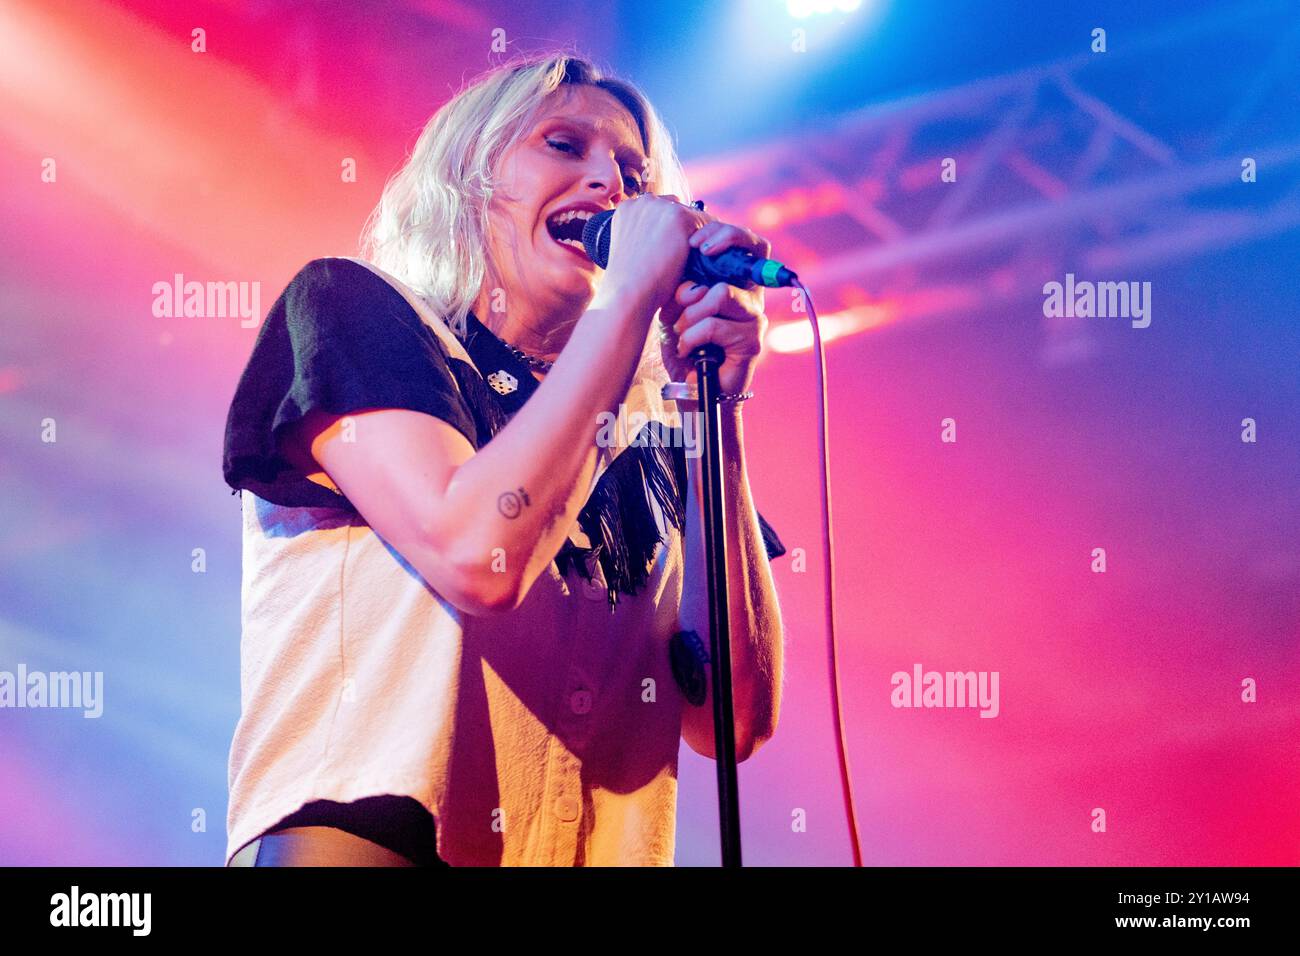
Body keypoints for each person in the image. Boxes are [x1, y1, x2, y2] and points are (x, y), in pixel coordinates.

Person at [220, 52, 787, 867]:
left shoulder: (656, 434)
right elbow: (476, 557)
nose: (610, 185)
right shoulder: (355, 309)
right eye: (564, 145)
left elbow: (732, 721)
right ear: (468, 181)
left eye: (633, 170)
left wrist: (715, 412)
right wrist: (629, 295)